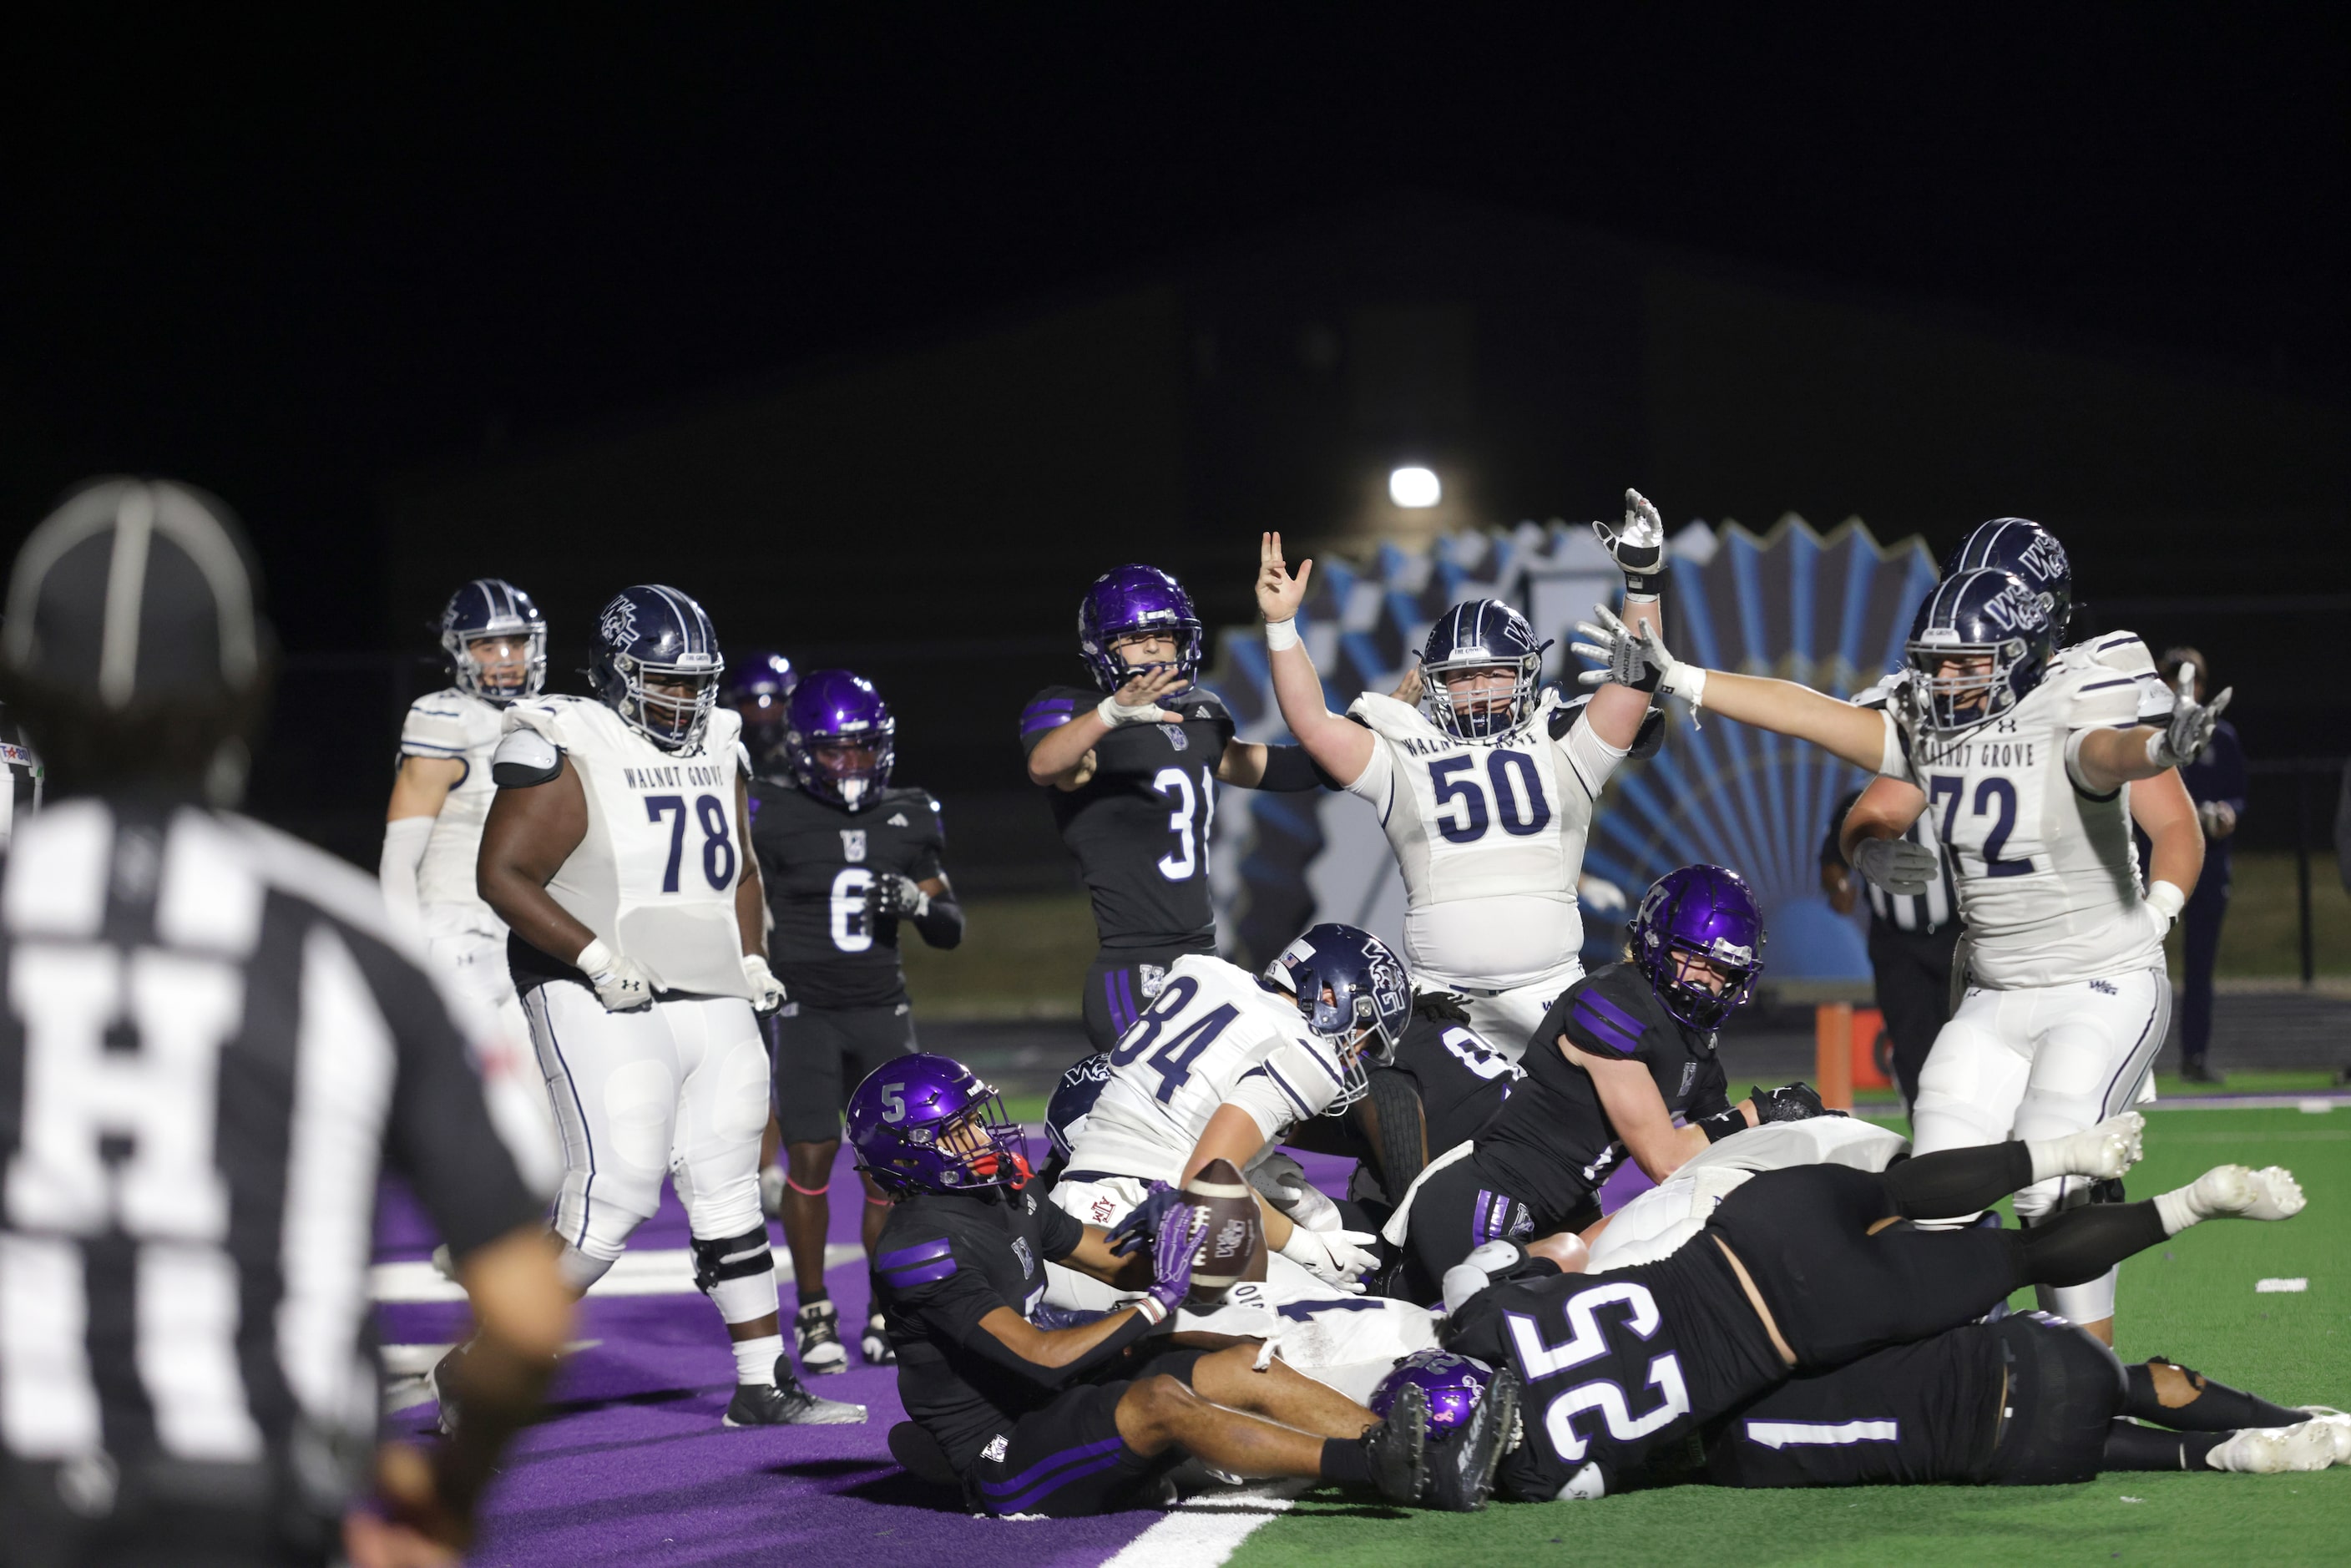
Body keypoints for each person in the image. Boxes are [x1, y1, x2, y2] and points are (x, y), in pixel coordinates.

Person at [0, 478, 572, 1567]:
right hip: (250, 1498)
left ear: (20, 679)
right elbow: (530, 1312)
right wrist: (448, 1490)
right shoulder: (339, 942)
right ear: (254, 684)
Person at [1574, 562, 2226, 1348]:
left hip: (2100, 981)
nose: (1945, 680)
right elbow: (1806, 713)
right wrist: (1680, 676)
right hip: (1994, 989)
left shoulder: (2068, 706)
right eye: (1937, 661)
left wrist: (2159, 745)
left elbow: (2108, 758)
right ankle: (1950, 1361)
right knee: (1936, 1186)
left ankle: (2086, 1371)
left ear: (2020, 656)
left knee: (2053, 1176)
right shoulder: (1927, 724)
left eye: (1966, 664)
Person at [1438, 1115, 2304, 1501]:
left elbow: (1602, 1474)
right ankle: (2056, 1150)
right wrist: (1503, 1272)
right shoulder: (1489, 1323)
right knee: (1897, 1186)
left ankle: (2185, 1206)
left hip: (1803, 1322)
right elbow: (1481, 1273)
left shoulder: (1542, 1469)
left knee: (2021, 1258)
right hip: (1743, 1224)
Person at [473, 584, 862, 1429]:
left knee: (727, 1183)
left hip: (706, 984)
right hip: (595, 987)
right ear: (618, 673)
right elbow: (501, 875)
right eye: (666, 680)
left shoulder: (721, 742)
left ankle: (763, 1381)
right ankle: (481, 1364)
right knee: (610, 1200)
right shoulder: (566, 741)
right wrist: (593, 956)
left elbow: (744, 868)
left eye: (697, 682)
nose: (685, 699)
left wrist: (751, 956)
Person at [852, 1054, 1520, 1514]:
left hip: (1046, 1398)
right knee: (1162, 1400)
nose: (984, 1135)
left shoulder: (1008, 1193)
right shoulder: (919, 1250)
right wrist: (1158, 1299)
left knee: (1233, 1356)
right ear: (913, 1154)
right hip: (1003, 1451)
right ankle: (1371, 1467)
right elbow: (1041, 1355)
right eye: (959, 1129)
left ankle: (1420, 1460)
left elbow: (1111, 1263)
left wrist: (1172, 1235)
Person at [1252, 492, 1668, 1061]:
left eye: (1494, 674)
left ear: (1526, 674)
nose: (1478, 691)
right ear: (1435, 683)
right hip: (1438, 998)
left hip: (1552, 992)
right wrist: (1281, 625)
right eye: (1461, 678)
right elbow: (1312, 723)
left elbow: (1634, 685)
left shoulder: (1562, 740)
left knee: (1575, 1138)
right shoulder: (1403, 747)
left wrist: (1641, 585)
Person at [1383, 864, 1836, 1301]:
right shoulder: (1611, 1003)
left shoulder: (1694, 1037)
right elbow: (1666, 1160)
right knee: (1516, 1330)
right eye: (1697, 959)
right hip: (1485, 1204)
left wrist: (1798, 1138)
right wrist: (1760, 1112)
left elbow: (1716, 1154)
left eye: (1725, 971)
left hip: (1562, 1215)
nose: (1709, 981)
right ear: (1657, 942)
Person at [1043, 923, 1444, 1397]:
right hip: (1151, 1233)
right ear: (1329, 997)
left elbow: (1187, 1138)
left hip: (1067, 1227)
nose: (1360, 1052)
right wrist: (1306, 1248)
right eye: (1364, 1034)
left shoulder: (1203, 975)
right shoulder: (1304, 1051)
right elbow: (1206, 1181)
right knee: (1389, 1331)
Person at [1385, 1315, 2347, 1490]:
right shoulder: (1764, 1342)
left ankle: (2205, 1458)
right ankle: (2270, 1418)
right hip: (2029, 1365)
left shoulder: (1738, 1462)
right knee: (2132, 1379)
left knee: (2065, 1443)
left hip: (2008, 1456)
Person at [1023, 564, 1334, 1053]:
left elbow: (1282, 769)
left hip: (1206, 958)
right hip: (1133, 966)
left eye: (1164, 635)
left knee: (1254, 1097)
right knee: (1152, 1118)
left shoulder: (1200, 714)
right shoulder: (1072, 713)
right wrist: (1110, 715)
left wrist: (1369, 735)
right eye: (1134, 637)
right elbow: (1046, 765)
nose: (1152, 648)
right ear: (1102, 648)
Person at [749, 669, 963, 1374]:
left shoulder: (908, 811)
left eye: (864, 749)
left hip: (879, 1008)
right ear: (805, 749)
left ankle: (883, 1306)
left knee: (890, 1170)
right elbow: (738, 894)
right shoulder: (769, 809)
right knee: (809, 1162)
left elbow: (950, 928)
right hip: (805, 1011)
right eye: (836, 750)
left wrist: (918, 903)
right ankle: (813, 1308)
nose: (851, 764)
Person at [379, 578, 548, 1047]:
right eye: (488, 647)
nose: (508, 658)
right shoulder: (443, 720)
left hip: (533, 936)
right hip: (459, 934)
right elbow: (399, 857)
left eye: (516, 643)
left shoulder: (551, 717)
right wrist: (407, 954)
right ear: (459, 653)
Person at [1818, 782, 1959, 1105]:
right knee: (1910, 1044)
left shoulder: (1954, 796)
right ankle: (1923, 1125)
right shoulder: (1860, 805)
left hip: (1956, 941)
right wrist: (1839, 886)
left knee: (1969, 1033)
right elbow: (1831, 862)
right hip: (1897, 947)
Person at [2160, 646, 2244, 1084]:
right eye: (2171, 679)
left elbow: (2239, 795)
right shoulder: (2146, 736)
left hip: (2209, 867)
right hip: (2156, 864)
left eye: (2187, 680)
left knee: (2200, 967)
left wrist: (2226, 813)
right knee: (2137, 963)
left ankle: (2194, 1056)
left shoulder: (2221, 737)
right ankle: (2131, 1064)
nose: (2179, 689)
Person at [720, 649, 798, 783]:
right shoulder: (722, 757)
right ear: (735, 706)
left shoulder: (803, 758)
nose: (764, 712)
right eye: (752, 703)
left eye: (774, 702)